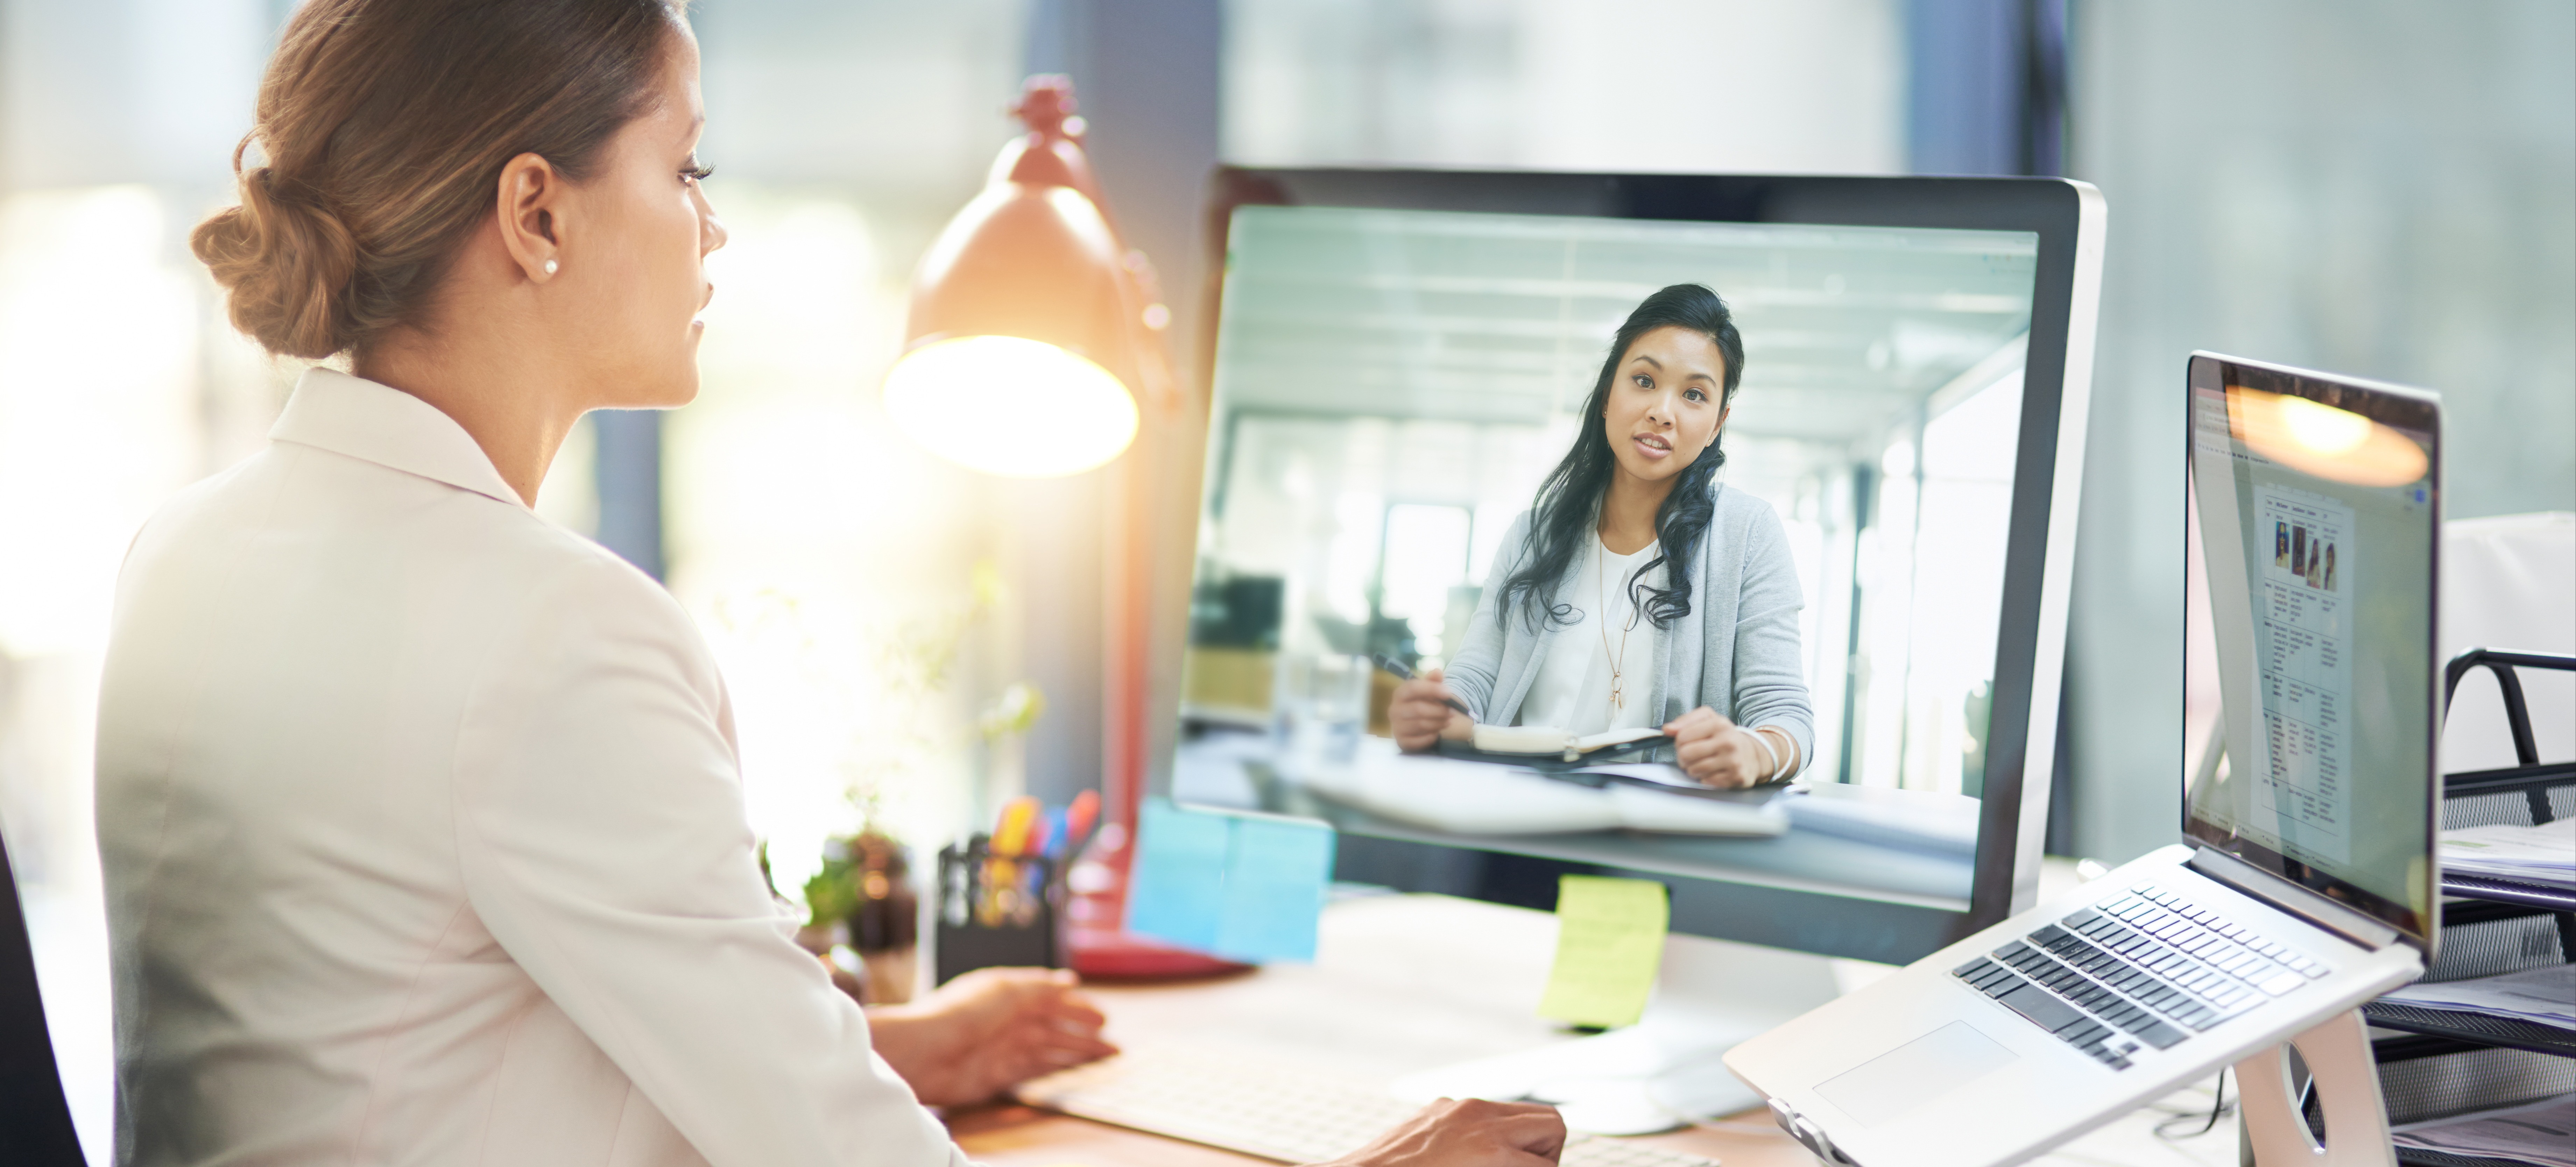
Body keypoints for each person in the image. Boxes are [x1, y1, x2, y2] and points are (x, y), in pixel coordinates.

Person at [92, 2, 1567, 1165]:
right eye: (685, 170)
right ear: (536, 213)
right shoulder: (547, 630)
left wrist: (886, 1046)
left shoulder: (187, 553)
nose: (711, 226)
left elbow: (406, 1031)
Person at [1386, 285, 1812, 789]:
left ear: (1718, 423)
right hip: (1512, 815)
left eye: (1694, 394)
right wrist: (1437, 713)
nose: (1663, 411)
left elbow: (1787, 719)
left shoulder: (1748, 534)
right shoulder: (1533, 533)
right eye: (1644, 380)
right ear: (1609, 393)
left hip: (1654, 834)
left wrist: (1755, 750)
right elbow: (1475, 678)